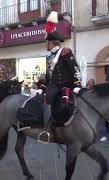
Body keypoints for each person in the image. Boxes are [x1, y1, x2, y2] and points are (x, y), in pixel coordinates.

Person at [33, 11, 81, 141]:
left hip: (66, 86)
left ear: (52, 42)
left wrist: (77, 84)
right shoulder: (49, 57)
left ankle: (47, 129)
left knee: (49, 98)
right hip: (53, 86)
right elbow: (48, 76)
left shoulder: (65, 52)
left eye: (47, 43)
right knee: (43, 97)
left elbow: (75, 69)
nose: (46, 45)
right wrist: (41, 87)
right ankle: (48, 127)